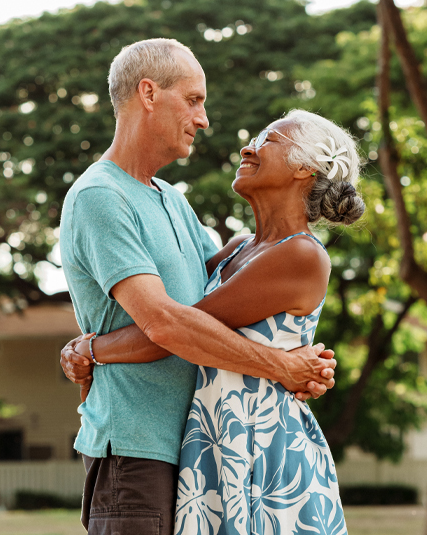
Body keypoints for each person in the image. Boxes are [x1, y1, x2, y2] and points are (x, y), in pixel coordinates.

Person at [59, 38, 337, 535]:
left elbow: (210, 307)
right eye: (193, 99)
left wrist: (90, 348)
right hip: (139, 450)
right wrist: (286, 367)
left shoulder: (172, 201)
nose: (205, 119)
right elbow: (165, 322)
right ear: (148, 94)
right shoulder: (100, 197)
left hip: (202, 453)